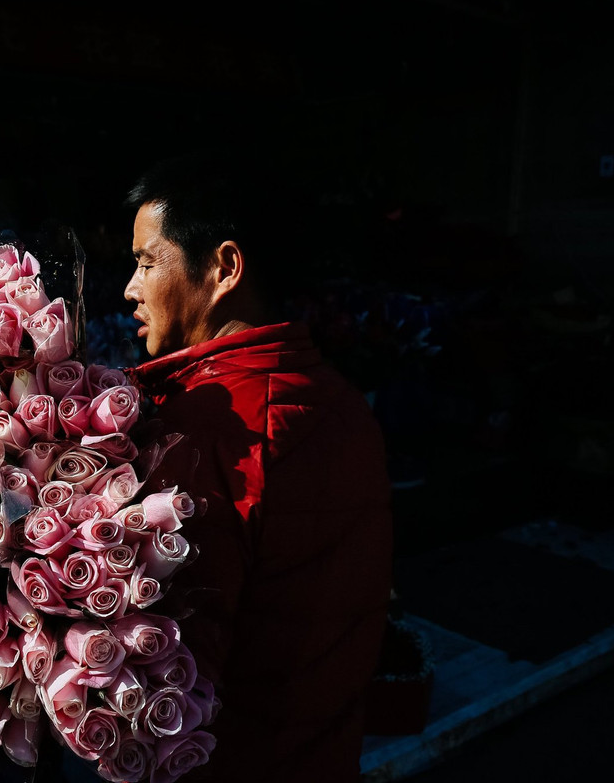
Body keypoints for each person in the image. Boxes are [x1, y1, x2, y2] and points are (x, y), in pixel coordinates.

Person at [122, 149, 393, 781]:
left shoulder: (211, 431)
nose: (130, 288)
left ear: (223, 267)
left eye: (145, 262)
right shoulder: (343, 402)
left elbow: (173, 664)